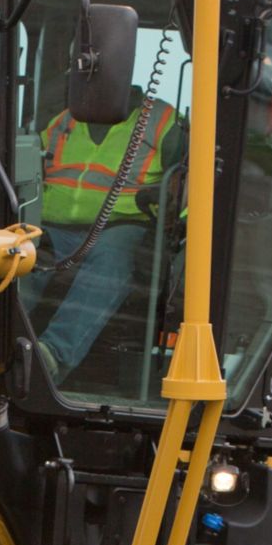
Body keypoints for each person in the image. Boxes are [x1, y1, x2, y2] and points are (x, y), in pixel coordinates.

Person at [30, 92, 181, 377]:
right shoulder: (64, 121)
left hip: (122, 223)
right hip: (53, 226)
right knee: (19, 252)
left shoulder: (162, 122)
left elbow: (190, 176)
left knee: (112, 258)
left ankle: (50, 357)